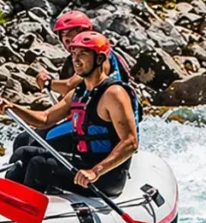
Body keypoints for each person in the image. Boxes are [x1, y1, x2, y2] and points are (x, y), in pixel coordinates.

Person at [0, 32, 138, 198]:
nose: (76, 60)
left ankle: (25, 210)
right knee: (23, 153)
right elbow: (45, 119)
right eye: (74, 54)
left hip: (106, 175)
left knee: (39, 164)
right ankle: (6, 201)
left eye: (83, 55)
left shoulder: (114, 93)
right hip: (83, 162)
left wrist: (95, 171)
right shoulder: (79, 92)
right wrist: (14, 108)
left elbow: (130, 142)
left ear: (99, 59)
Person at [18, 10, 138, 153]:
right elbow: (65, 100)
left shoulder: (100, 58)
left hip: (103, 122)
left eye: (71, 33)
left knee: (39, 142)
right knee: (24, 139)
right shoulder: (76, 60)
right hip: (87, 118)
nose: (67, 39)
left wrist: (49, 83)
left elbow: (70, 85)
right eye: (63, 36)